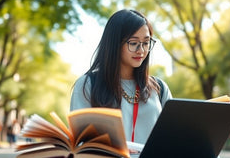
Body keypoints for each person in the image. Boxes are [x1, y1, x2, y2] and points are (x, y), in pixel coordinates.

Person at [70, 9, 173, 144]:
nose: (141, 50)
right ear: (115, 44)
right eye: (133, 43)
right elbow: (80, 144)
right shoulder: (88, 85)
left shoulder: (159, 89)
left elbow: (173, 138)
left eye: (146, 43)